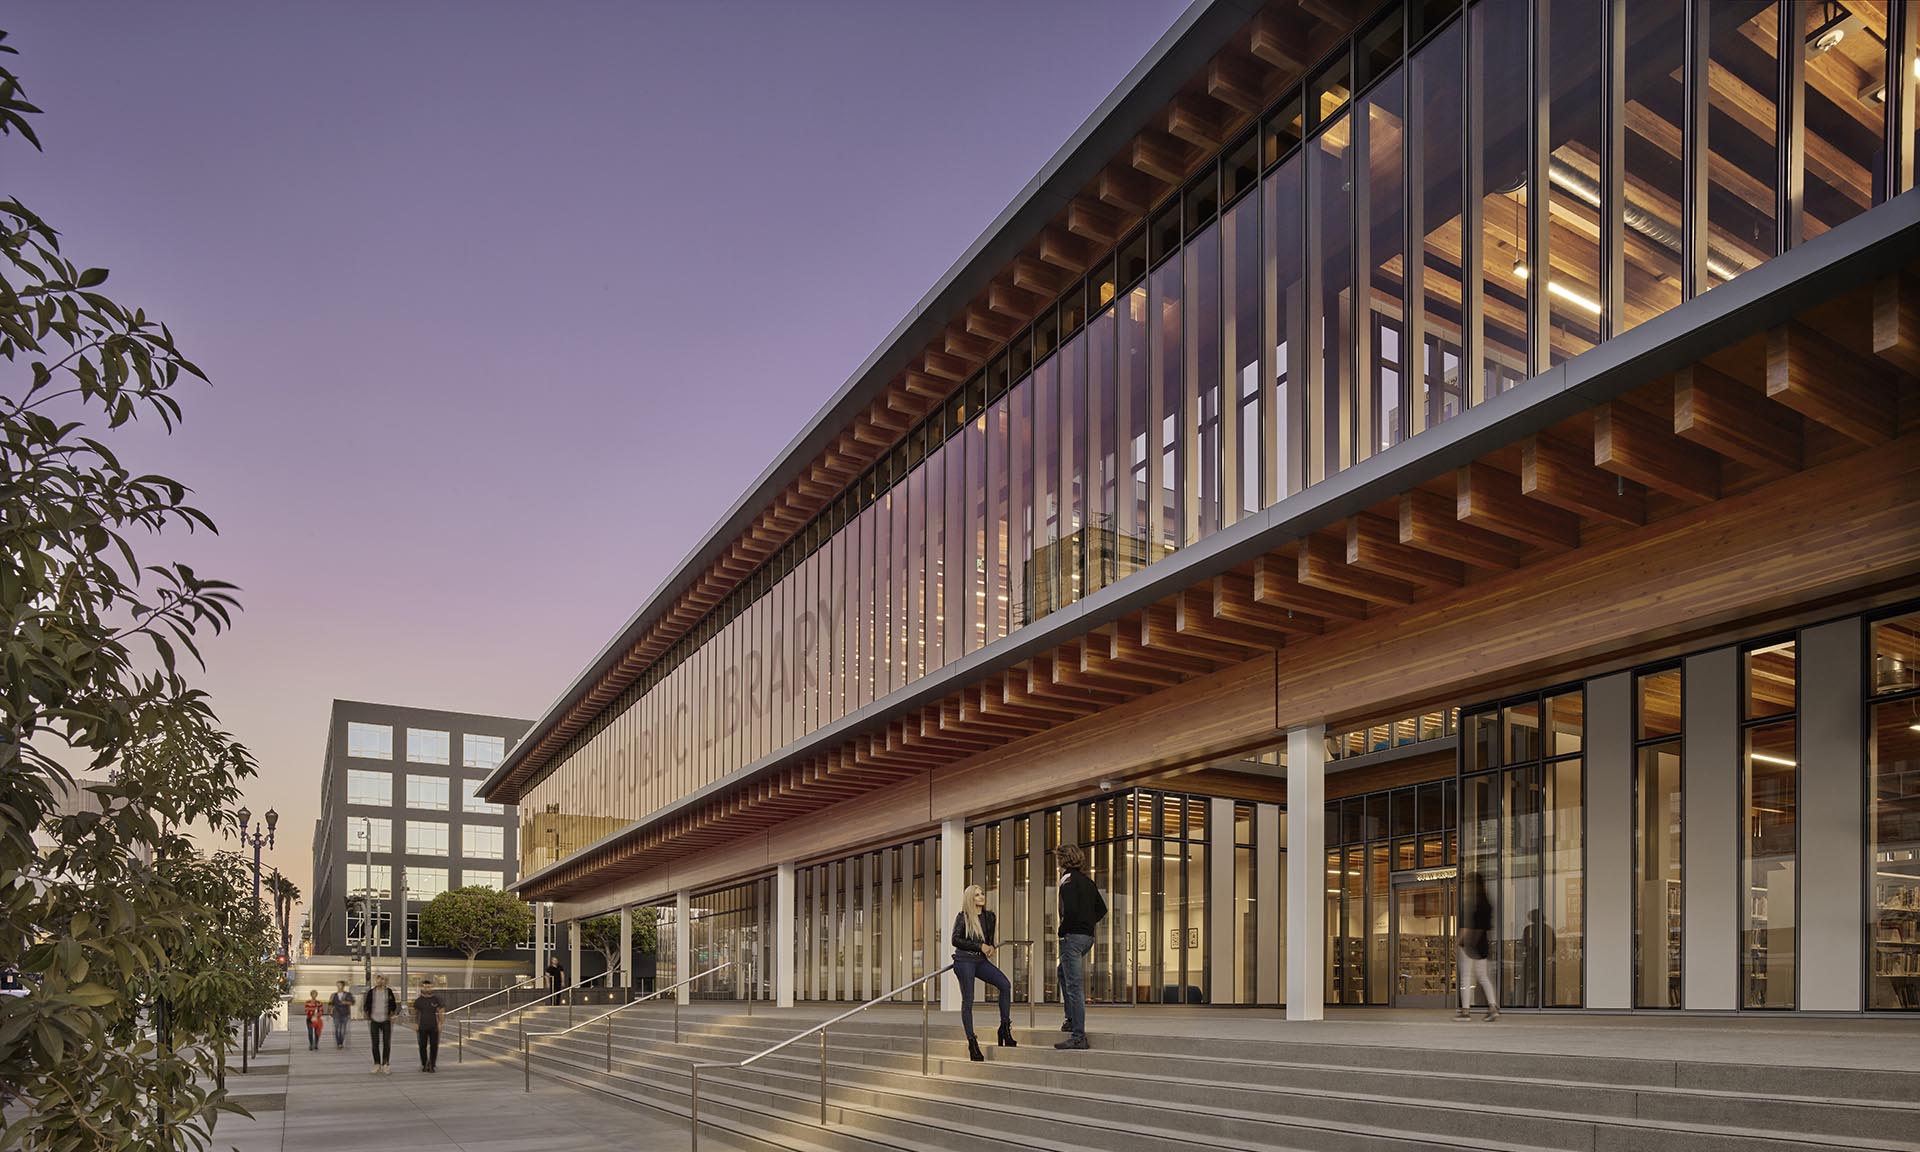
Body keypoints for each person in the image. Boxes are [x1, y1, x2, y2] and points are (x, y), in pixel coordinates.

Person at [950, 884, 1016, 1062]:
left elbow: (989, 940)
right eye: (977, 895)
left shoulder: (990, 917)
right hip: (964, 961)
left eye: (982, 894)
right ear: (971, 899)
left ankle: (1004, 1028)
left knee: (1005, 984)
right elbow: (955, 940)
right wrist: (980, 946)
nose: (981, 897)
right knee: (968, 1001)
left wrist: (991, 947)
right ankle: (972, 1042)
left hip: (980, 961)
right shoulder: (963, 917)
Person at [1054, 843, 1106, 1051]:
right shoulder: (1088, 882)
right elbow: (1101, 909)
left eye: (1058, 858)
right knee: (1062, 973)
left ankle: (1078, 1035)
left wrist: (1064, 930)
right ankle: (1069, 1019)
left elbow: (1071, 910)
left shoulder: (1067, 881)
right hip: (1087, 938)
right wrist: (1087, 924)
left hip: (1072, 938)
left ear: (1062, 860)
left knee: (1074, 986)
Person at [1457, 875, 1500, 1022]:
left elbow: (1467, 926)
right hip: (1482, 944)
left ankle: (1465, 1012)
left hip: (1469, 944)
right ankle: (1493, 1008)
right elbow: (1487, 926)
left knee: (1466, 978)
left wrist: (1459, 941)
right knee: (1483, 977)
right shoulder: (1486, 903)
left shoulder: (1470, 902)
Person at [363, 974, 400, 1073]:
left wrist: (391, 1013)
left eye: (382, 980)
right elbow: (366, 1004)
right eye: (378, 980)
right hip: (374, 1021)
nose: (380, 981)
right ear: (376, 981)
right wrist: (368, 1014)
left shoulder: (389, 992)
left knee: (386, 1043)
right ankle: (377, 1064)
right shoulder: (371, 992)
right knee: (375, 1043)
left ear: (385, 981)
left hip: (386, 1021)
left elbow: (393, 1005)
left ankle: (385, 1064)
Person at [413, 977, 444, 1073]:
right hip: (422, 1026)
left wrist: (440, 1023)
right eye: (426, 987)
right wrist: (415, 1024)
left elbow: (441, 1011)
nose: (427, 989)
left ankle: (432, 1064)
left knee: (434, 1046)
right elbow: (415, 1013)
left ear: (432, 988)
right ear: (422, 988)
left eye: (429, 987)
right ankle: (424, 1064)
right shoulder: (418, 1000)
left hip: (433, 1026)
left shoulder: (436, 999)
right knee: (422, 1046)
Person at [327, 980, 353, 1049]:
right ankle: (339, 1043)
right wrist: (329, 1012)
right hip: (336, 1014)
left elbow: (352, 1002)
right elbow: (330, 1004)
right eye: (337, 985)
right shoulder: (333, 995)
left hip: (345, 1014)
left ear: (343, 986)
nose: (338, 987)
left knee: (343, 1030)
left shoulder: (348, 994)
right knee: (337, 1029)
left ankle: (341, 1041)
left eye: (340, 985)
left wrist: (346, 1002)